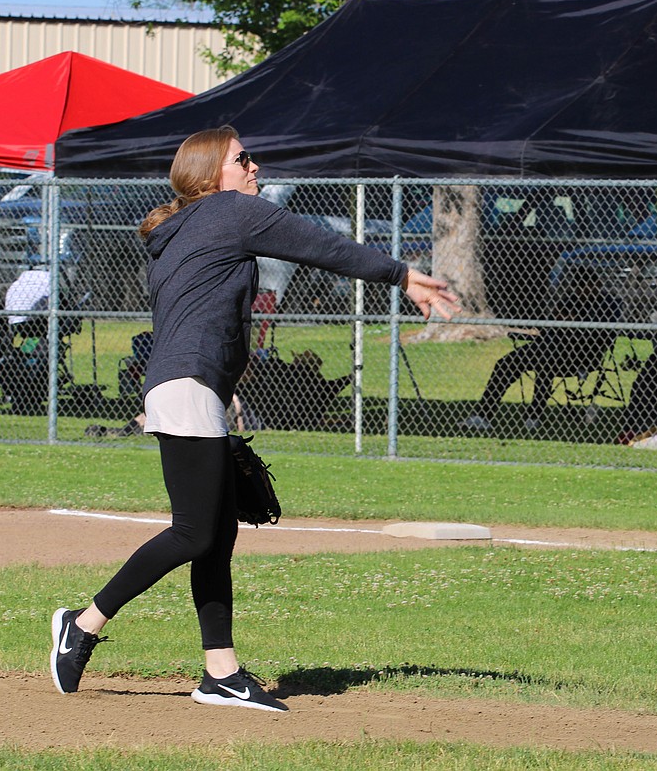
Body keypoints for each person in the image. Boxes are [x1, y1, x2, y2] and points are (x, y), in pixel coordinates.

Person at [49, 126, 459, 711]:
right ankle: (83, 623)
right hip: (188, 385)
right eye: (242, 159)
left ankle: (222, 673)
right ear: (212, 172)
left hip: (189, 386)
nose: (254, 167)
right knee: (194, 531)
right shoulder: (227, 212)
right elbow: (316, 243)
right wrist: (400, 275)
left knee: (216, 534)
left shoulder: (187, 227)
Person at [461, 269, 620, 430]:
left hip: (580, 356)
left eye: (586, 286)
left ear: (597, 285)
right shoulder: (570, 301)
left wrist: (574, 323)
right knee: (505, 363)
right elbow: (552, 325)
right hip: (548, 346)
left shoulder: (607, 304)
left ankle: (533, 416)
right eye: (577, 286)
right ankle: (482, 415)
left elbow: (601, 335)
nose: (581, 291)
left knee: (545, 365)